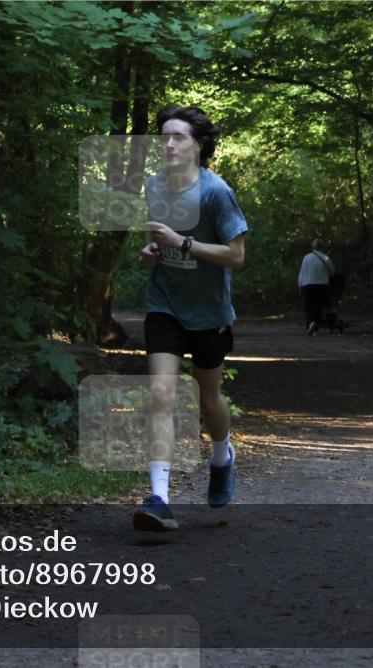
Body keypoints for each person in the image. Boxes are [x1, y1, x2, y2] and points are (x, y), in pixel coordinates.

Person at [133, 105, 248, 532]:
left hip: (208, 312)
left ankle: (221, 456)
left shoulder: (217, 193)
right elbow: (156, 242)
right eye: (163, 137)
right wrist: (152, 251)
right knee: (161, 394)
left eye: (178, 137)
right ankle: (159, 499)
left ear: (198, 145)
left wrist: (182, 242)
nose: (168, 144)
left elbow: (236, 256)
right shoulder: (153, 186)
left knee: (207, 398)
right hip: (164, 304)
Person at [298, 240, 334, 335]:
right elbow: (332, 272)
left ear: (312, 247)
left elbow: (302, 272)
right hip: (322, 285)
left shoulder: (306, 257)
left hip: (308, 285)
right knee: (319, 306)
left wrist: (300, 285)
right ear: (322, 247)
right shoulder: (326, 258)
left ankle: (311, 324)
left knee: (309, 306)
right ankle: (316, 323)